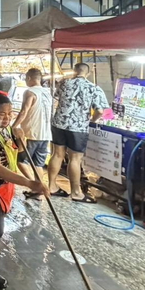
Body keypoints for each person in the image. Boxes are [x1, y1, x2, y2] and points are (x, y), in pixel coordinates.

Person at [0, 93, 50, 289]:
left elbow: (15, 153)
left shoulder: (3, 129)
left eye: (10, 113)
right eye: (2, 113)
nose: (7, 117)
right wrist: (28, 183)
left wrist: (20, 140)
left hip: (1, 184)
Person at [49, 63, 109, 203]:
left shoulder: (64, 83)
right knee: (75, 159)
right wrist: (92, 120)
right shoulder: (93, 88)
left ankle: (51, 186)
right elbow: (100, 111)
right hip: (78, 127)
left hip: (59, 123)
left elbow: (56, 97)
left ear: (74, 71)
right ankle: (76, 192)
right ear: (88, 73)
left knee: (57, 154)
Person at [11, 68, 53, 200]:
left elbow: (24, 111)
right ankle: (38, 189)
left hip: (31, 133)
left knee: (20, 160)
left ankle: (35, 185)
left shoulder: (30, 92)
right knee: (38, 164)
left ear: (29, 78)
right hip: (45, 134)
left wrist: (14, 126)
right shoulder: (47, 93)